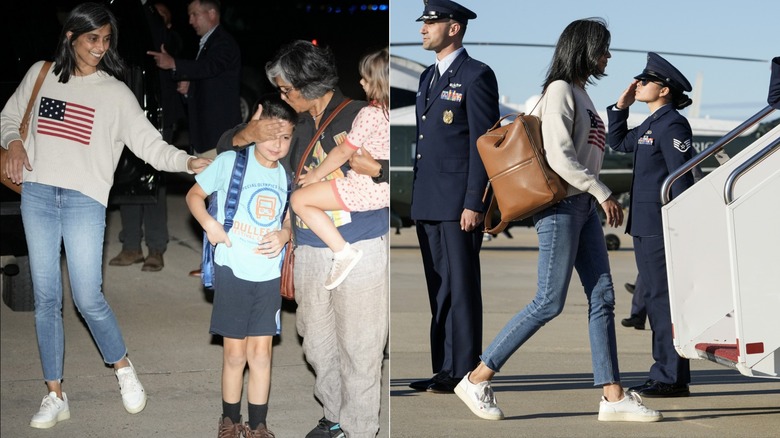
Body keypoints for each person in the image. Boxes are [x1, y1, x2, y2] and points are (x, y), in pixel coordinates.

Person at [0, 2, 210, 429]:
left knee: (87, 297)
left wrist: (188, 162)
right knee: (45, 299)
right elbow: (8, 117)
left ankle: (123, 367)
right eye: (92, 38)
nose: (99, 47)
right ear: (70, 37)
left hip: (84, 200)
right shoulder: (42, 74)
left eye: (106, 40)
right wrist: (16, 143)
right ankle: (55, 394)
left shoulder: (115, 93)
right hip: (37, 195)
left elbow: (151, 146)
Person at [454, 18, 662, 423]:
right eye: (603, 48)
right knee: (548, 302)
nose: (608, 56)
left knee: (602, 297)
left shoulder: (581, 93)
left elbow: (586, 152)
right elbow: (559, 156)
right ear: (584, 49)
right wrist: (602, 192)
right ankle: (477, 378)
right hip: (562, 207)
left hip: (581, 208)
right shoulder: (560, 91)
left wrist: (620, 110)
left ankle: (612, 396)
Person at [215, 40, 389, 438]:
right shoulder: (292, 123)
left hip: (358, 246)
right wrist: (250, 131)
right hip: (308, 247)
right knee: (316, 343)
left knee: (360, 350)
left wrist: (380, 170)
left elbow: (410, 167)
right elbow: (227, 147)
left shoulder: (363, 114)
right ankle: (335, 416)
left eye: (285, 89)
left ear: (307, 84)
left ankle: (360, 430)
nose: (282, 96)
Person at [186, 94, 296, 438]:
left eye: (285, 137)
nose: (277, 144)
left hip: (268, 274)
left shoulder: (286, 175)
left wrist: (285, 234)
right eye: (271, 134)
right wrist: (210, 224)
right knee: (235, 354)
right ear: (256, 129)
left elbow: (290, 216)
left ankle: (258, 423)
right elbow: (194, 196)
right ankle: (230, 420)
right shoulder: (232, 162)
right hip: (232, 268)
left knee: (261, 353)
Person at [407, 0, 499, 395]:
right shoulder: (428, 76)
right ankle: (444, 368)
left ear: (454, 28)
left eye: (432, 22)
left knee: (461, 287)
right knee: (438, 286)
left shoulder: (476, 75)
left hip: (458, 203)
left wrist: (474, 202)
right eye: (424, 22)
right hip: (429, 199)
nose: (423, 29)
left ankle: (463, 367)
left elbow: (483, 144)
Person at [607, 52, 697, 398]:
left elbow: (682, 178)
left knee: (661, 299)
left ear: (665, 90)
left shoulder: (672, 124)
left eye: (645, 81)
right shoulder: (650, 124)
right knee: (656, 296)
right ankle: (666, 373)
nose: (638, 84)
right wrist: (620, 106)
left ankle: (670, 377)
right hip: (644, 224)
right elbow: (618, 143)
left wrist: (678, 222)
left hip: (661, 224)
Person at [292, 47, 390, 290]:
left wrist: (316, 174)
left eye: (366, 79)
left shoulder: (370, 114)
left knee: (299, 200)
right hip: (383, 189)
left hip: (363, 188)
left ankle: (342, 251)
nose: (360, 82)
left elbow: (343, 151)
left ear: (378, 83)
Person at [108, 0, 187, 272]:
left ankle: (156, 247)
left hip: (158, 110)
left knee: (155, 178)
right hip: (127, 107)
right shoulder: (119, 13)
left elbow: (176, 48)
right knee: (127, 176)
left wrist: (165, 23)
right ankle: (131, 246)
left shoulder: (156, 17)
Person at [147, 0, 241, 159]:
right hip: (205, 136)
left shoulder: (223, 42)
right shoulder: (208, 43)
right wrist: (190, 87)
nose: (190, 21)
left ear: (211, 14)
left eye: (194, 15)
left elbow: (209, 67)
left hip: (218, 136)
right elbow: (210, 77)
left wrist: (173, 63)